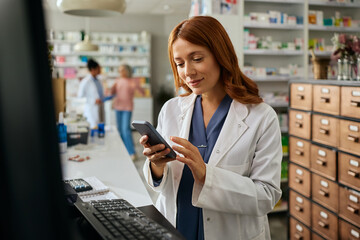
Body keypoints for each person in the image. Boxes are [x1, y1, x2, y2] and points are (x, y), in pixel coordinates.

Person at [140, 16, 282, 240]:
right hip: (175, 227)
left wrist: (207, 175)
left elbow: (267, 196)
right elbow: (163, 184)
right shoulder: (171, 110)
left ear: (220, 56)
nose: (188, 72)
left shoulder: (261, 117)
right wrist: (156, 166)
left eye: (196, 59)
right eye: (179, 63)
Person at [110, 64, 145, 160]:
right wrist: (112, 88)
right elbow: (112, 92)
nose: (120, 72)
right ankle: (124, 151)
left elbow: (142, 92)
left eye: (122, 70)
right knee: (120, 130)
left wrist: (139, 88)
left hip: (127, 108)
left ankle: (132, 152)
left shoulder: (133, 81)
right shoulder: (118, 80)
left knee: (125, 130)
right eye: (119, 70)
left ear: (127, 71)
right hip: (118, 107)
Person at [77, 59, 105, 129]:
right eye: (98, 68)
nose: (100, 70)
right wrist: (93, 101)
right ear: (93, 69)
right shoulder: (85, 82)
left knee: (100, 128)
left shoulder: (99, 80)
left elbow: (99, 94)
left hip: (100, 107)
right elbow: (80, 97)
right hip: (91, 109)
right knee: (93, 128)